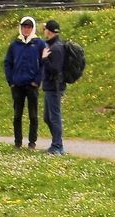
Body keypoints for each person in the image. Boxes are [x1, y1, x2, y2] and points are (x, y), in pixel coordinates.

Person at [3, 16, 45, 150]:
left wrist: (37, 81)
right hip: (18, 85)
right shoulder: (15, 45)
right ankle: (17, 142)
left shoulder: (39, 44)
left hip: (32, 85)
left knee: (33, 115)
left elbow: (44, 64)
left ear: (32, 28)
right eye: (24, 27)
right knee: (17, 115)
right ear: (20, 28)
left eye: (29, 27)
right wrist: (11, 81)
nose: (26, 29)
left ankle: (32, 142)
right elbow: (7, 63)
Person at [40, 19, 66, 155]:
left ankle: (57, 146)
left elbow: (55, 69)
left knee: (54, 117)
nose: (43, 31)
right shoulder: (51, 45)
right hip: (49, 87)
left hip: (55, 87)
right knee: (47, 118)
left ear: (48, 31)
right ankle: (57, 142)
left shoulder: (57, 48)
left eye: (45, 29)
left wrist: (44, 59)